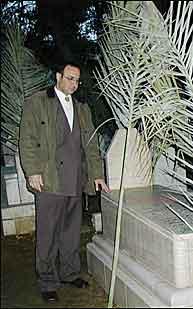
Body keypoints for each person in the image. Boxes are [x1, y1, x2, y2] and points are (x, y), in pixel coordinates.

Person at [19, 61, 110, 303]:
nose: (74, 84)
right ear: (58, 76)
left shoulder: (82, 108)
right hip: (49, 180)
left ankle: (70, 273)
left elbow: (90, 144)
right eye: (70, 78)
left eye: (77, 80)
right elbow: (27, 140)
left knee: (71, 233)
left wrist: (96, 174)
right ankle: (47, 281)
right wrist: (32, 171)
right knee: (48, 234)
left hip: (75, 179)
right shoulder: (37, 102)